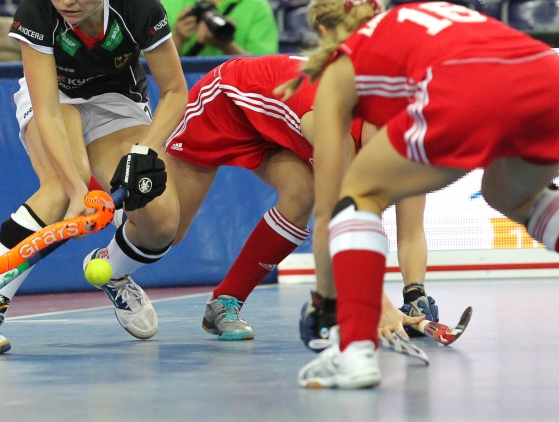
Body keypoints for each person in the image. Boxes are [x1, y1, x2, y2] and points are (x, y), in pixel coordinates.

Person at [293, 0, 559, 389]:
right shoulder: (419, 16)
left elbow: (327, 210)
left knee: (357, 195)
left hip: (466, 86)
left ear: (323, 30)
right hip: (555, 78)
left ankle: (355, 351)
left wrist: (327, 303)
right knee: (510, 195)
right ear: (376, 7)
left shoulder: (344, 62)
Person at [0, 0, 188, 355]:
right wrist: (78, 188)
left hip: (117, 102)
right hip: (55, 98)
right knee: (60, 189)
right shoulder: (37, 8)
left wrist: (147, 150)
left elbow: (176, 91)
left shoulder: (137, 5)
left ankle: (112, 269)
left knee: (160, 222)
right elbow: (46, 109)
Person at [165, 50, 428, 342]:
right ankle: (125, 245)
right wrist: (380, 306)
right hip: (227, 103)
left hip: (282, 119)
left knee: (302, 194)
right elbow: (343, 228)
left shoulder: (409, 147)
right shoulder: (333, 128)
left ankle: (225, 301)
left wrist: (415, 295)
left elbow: (412, 232)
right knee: (165, 232)